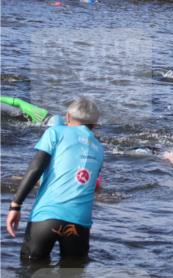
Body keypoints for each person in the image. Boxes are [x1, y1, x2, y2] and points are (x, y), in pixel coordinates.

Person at [5, 97, 104, 262]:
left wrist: (15, 205)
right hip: (79, 223)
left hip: (46, 217)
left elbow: (36, 168)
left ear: (67, 117)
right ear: (95, 125)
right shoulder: (100, 149)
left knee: (30, 272)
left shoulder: (55, 132)